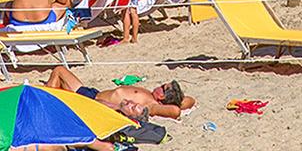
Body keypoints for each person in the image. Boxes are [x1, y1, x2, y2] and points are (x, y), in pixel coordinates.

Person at [40, 65, 192, 122]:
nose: (159, 85)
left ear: (162, 96)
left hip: (93, 101)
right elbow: (190, 100)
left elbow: (176, 110)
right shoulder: (150, 95)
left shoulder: (151, 105)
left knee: (59, 72)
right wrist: (177, 98)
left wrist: (174, 102)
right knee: (59, 73)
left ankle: (42, 104)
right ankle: (46, 97)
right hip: (93, 93)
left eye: (162, 87)